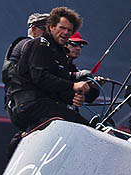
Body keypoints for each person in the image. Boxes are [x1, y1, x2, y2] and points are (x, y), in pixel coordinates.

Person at [8, 6, 91, 134]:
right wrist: (73, 85)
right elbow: (40, 77)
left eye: (69, 30)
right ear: (51, 27)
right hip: (30, 104)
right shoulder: (39, 44)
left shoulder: (61, 53)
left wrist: (74, 98)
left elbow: (59, 87)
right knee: (82, 128)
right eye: (62, 28)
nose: (66, 32)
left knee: (83, 124)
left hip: (45, 104)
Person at [2, 12, 49, 128]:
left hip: (18, 106)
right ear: (34, 29)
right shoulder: (30, 46)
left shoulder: (22, 45)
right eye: (47, 31)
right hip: (29, 105)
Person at [65, 31, 100, 108]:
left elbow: (89, 99)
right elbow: (54, 77)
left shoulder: (73, 68)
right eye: (74, 44)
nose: (78, 48)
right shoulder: (53, 60)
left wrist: (95, 87)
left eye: (81, 45)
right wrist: (77, 75)